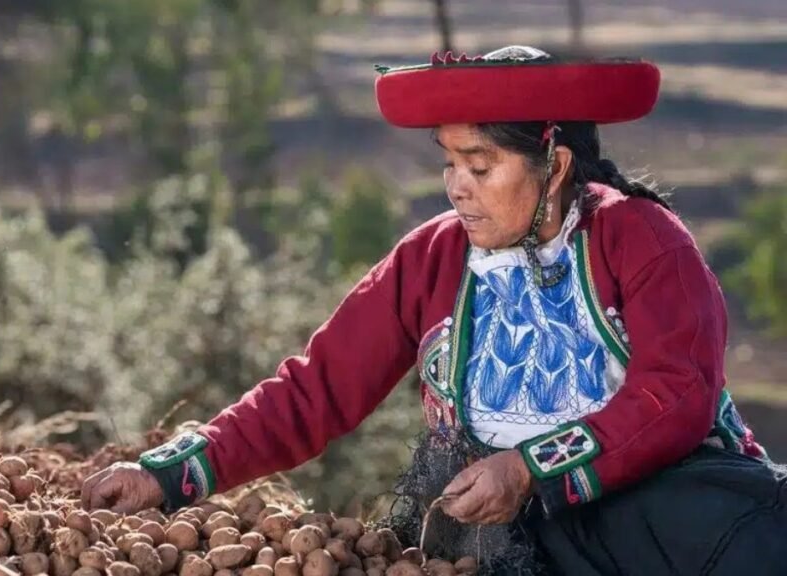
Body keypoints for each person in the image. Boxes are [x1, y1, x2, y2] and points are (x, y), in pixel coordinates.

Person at [82, 46, 787, 575]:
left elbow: (678, 394)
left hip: (663, 523)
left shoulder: (641, 237)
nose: (457, 187)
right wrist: (169, 473)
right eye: (448, 163)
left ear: (556, 164)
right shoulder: (432, 258)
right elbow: (314, 391)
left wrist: (529, 469)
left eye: (480, 166)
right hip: (512, 537)